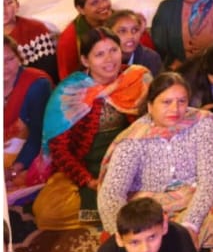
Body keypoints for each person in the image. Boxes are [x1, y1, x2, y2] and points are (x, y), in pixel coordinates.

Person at [97, 73, 213, 252]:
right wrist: (122, 232)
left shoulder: (204, 125)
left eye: (182, 101)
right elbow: (111, 193)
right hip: (150, 209)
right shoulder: (133, 140)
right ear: (150, 105)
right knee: (147, 237)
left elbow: (210, 181)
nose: (175, 109)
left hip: (197, 202)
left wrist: (191, 224)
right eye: (166, 102)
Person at [33, 27, 150, 230]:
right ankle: (122, 211)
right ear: (85, 61)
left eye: (113, 50)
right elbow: (59, 149)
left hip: (129, 162)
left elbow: (152, 127)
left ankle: (122, 208)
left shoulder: (136, 78)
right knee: (47, 212)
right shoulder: (69, 93)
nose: (109, 59)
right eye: (99, 54)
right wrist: (88, 181)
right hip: (86, 166)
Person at [3, 34, 52, 192]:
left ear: (19, 57)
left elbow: (39, 135)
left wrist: (13, 170)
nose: (4, 67)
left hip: (29, 158)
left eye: (9, 59)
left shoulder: (36, 85)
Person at [93, 197, 201, 252]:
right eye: (135, 242)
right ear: (119, 239)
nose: (145, 249)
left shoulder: (179, 236)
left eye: (152, 237)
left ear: (164, 227)